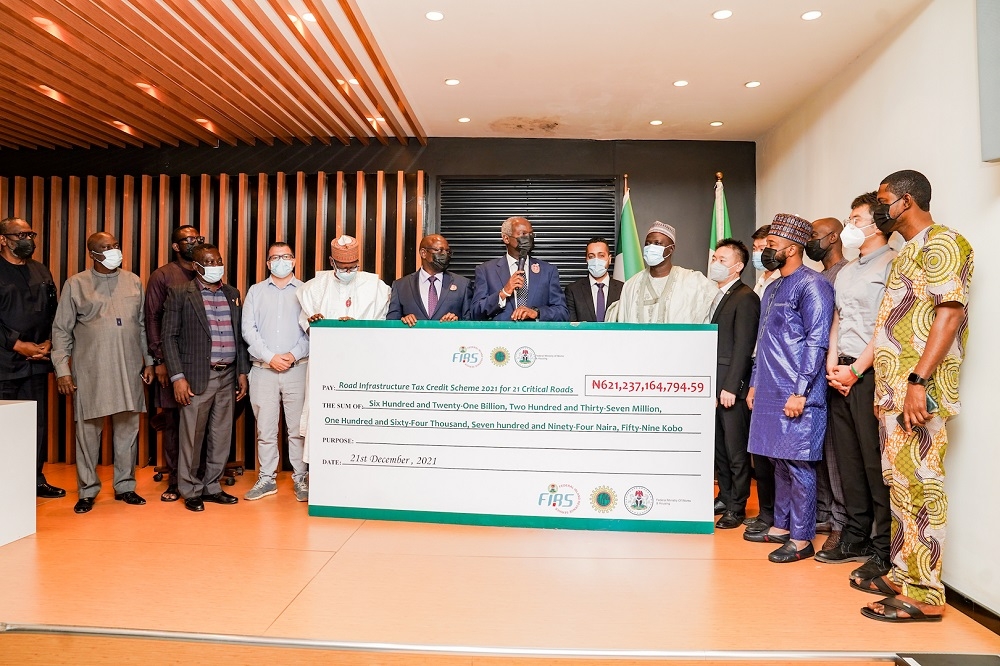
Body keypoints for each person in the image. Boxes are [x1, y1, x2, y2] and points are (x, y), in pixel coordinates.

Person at [858, 170, 973, 624]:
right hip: (894, 395)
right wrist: (886, 390)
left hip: (920, 395)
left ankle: (925, 593)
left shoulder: (945, 242)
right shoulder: (907, 253)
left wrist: (917, 381)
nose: (880, 208)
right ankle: (904, 574)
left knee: (923, 490)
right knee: (900, 488)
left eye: (884, 200)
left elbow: (949, 314)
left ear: (905, 202)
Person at [744, 213, 834, 563]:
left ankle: (802, 538)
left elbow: (816, 341)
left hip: (798, 390)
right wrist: (754, 384)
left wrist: (800, 391)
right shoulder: (774, 285)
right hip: (768, 387)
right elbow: (763, 340)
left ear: (792, 249)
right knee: (778, 462)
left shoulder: (813, 284)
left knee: (798, 466)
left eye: (772, 246)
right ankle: (781, 526)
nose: (766, 251)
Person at [817, 193, 895, 577]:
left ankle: (883, 547)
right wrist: (833, 364)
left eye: (856, 218)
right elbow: (838, 319)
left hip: (870, 373)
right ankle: (856, 534)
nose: (851, 225)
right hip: (841, 370)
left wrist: (856, 371)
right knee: (847, 462)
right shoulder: (847, 270)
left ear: (877, 223)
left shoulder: (893, 263)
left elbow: (887, 325)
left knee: (872, 461)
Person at [51, 232, 154, 513]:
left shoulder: (133, 281)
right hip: (91, 372)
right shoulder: (76, 284)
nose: (113, 251)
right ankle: (87, 490)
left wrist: (149, 362)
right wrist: (63, 371)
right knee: (87, 433)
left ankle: (125, 486)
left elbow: (143, 326)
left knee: (128, 431)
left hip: (129, 370)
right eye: (105, 248)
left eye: (115, 246)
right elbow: (61, 331)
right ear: (92, 253)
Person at [162, 244, 249, 512]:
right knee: (192, 436)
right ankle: (189, 489)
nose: (215, 266)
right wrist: (178, 377)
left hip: (228, 376)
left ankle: (212, 486)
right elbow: (169, 337)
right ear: (196, 266)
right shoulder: (180, 293)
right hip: (197, 376)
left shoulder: (232, 294)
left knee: (221, 435)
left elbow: (239, 336)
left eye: (218, 260)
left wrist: (242, 372)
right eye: (209, 262)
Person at [0, 217, 64, 499]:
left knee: (36, 424)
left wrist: (50, 340)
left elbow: (54, 309)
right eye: (20, 235)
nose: (28, 240)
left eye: (30, 233)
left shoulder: (40, 269)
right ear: (3, 240)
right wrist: (17, 344)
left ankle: (35, 479)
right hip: (4, 363)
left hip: (38, 361)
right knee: (5, 425)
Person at [242, 242, 310, 502]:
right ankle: (267, 479)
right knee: (266, 430)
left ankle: (300, 479)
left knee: (297, 429)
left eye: (286, 256)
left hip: (298, 368)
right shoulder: (256, 291)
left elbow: (312, 329)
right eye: (275, 257)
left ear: (293, 260)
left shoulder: (306, 291)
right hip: (263, 370)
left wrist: (292, 355)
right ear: (268, 263)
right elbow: (248, 329)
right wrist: (270, 357)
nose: (280, 261)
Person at [144, 225, 203, 502]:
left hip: (201, 362)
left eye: (197, 238)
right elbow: (153, 318)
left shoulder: (206, 271)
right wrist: (159, 360)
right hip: (171, 359)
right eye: (187, 240)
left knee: (198, 421)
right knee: (173, 423)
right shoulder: (163, 275)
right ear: (176, 246)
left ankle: (196, 476)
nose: (194, 242)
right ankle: (175, 480)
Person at [708, 239, 759, 529]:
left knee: (737, 451)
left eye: (723, 259)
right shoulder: (718, 295)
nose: (716, 263)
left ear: (738, 266)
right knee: (720, 450)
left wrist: (731, 386)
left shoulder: (746, 297)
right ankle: (725, 496)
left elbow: (743, 347)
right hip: (715, 386)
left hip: (731, 389)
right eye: (715, 257)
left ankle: (737, 507)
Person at [809, 217, 849, 546]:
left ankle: (840, 521)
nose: (810, 242)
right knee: (818, 447)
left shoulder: (845, 274)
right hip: (814, 372)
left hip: (837, 371)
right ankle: (822, 512)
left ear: (832, 237)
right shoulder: (818, 277)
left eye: (814, 236)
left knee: (837, 452)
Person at [609, 221, 717, 324]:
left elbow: (715, 305)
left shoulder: (692, 281)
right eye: (647, 244)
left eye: (657, 243)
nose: (651, 247)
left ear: (671, 249)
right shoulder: (631, 285)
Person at [470, 216, 568, 322]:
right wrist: (503, 293)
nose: (529, 238)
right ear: (506, 238)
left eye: (531, 234)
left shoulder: (548, 271)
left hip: (536, 336)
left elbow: (562, 313)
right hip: (501, 336)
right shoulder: (486, 271)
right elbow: (475, 313)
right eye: (523, 234)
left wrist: (536, 313)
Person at [744, 224, 777, 534]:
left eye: (764, 246)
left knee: (777, 454)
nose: (759, 253)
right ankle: (766, 512)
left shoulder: (785, 282)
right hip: (757, 368)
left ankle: (777, 515)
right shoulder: (760, 282)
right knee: (759, 450)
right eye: (755, 248)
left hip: (778, 374)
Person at [298, 235, 390, 326]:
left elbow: (381, 323)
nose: (349, 272)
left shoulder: (375, 285)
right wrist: (317, 324)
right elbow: (305, 322)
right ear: (331, 262)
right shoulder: (314, 287)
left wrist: (356, 326)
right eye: (343, 269)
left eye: (353, 267)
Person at [387, 234, 472, 325]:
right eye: (439, 250)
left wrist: (456, 322)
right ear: (423, 253)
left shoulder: (462, 284)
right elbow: (391, 323)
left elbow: (470, 323)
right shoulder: (401, 286)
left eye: (448, 251)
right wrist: (403, 322)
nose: (445, 254)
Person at [564, 237, 623, 322]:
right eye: (591, 256)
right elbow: (572, 326)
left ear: (609, 259)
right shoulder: (573, 290)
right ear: (586, 260)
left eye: (601, 255)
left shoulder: (623, 288)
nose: (596, 260)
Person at [751, 225, 779, 298]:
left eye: (762, 249)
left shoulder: (782, 280)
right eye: (754, 249)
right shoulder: (761, 279)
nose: (756, 253)